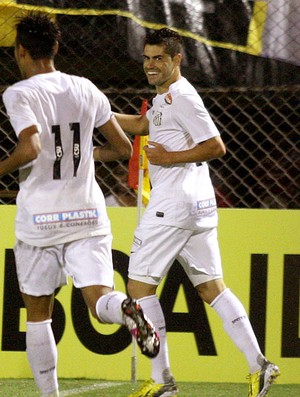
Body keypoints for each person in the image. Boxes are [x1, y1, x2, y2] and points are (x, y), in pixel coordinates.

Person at [112, 28, 280, 397]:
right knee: (211, 288)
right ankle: (260, 365)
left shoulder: (183, 97)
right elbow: (143, 126)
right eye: (147, 57)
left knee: (139, 289)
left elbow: (216, 146)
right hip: (199, 207)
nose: (151, 65)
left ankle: (162, 381)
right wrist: (102, 114)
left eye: (159, 58)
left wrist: (168, 158)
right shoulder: (165, 98)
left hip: (174, 206)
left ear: (177, 60)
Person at [1, 12, 159, 397]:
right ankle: (126, 308)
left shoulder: (20, 93)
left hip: (40, 221)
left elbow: (31, 146)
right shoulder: (87, 88)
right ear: (56, 48)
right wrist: (85, 155)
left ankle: (50, 396)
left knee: (38, 315)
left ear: (21, 52)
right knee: (100, 299)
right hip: (88, 215)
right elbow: (123, 147)